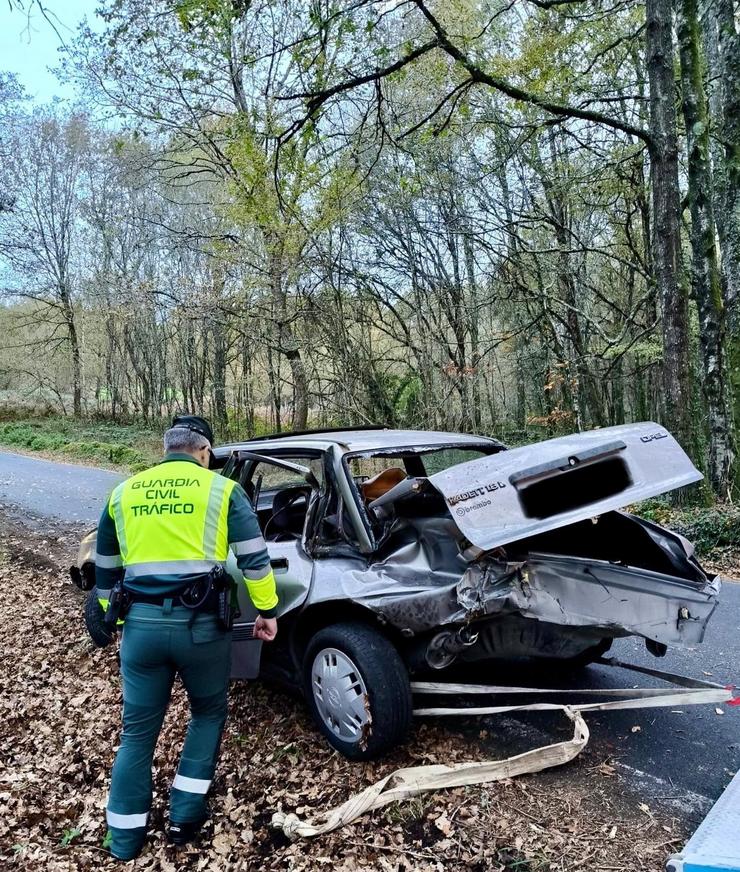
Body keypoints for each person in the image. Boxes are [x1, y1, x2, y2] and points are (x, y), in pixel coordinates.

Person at [94, 414, 278, 860]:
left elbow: (103, 570)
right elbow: (254, 560)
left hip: (141, 630)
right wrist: (267, 611)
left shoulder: (123, 493)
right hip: (201, 630)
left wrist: (112, 618)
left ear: (167, 448)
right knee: (208, 713)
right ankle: (184, 817)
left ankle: (124, 840)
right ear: (204, 452)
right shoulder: (222, 490)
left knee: (136, 733)